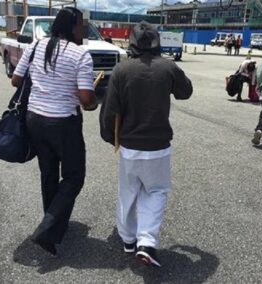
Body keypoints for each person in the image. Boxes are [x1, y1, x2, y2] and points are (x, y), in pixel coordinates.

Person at [100, 21, 193, 267]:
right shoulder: (168, 67)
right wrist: (171, 73)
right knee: (156, 191)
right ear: (157, 42)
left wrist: (109, 136)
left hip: (130, 146)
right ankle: (147, 241)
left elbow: (110, 109)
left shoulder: (122, 70)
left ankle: (128, 240)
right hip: (159, 146)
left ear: (132, 43)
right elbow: (186, 92)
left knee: (128, 193)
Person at [11, 7, 97, 255]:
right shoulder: (80, 55)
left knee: (48, 173)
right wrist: (90, 102)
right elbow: (86, 98)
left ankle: (52, 226)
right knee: (74, 177)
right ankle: (47, 228)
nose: (83, 29)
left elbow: (16, 81)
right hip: (63, 123)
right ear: (73, 26)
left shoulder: (37, 46)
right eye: (82, 25)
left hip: (34, 119)